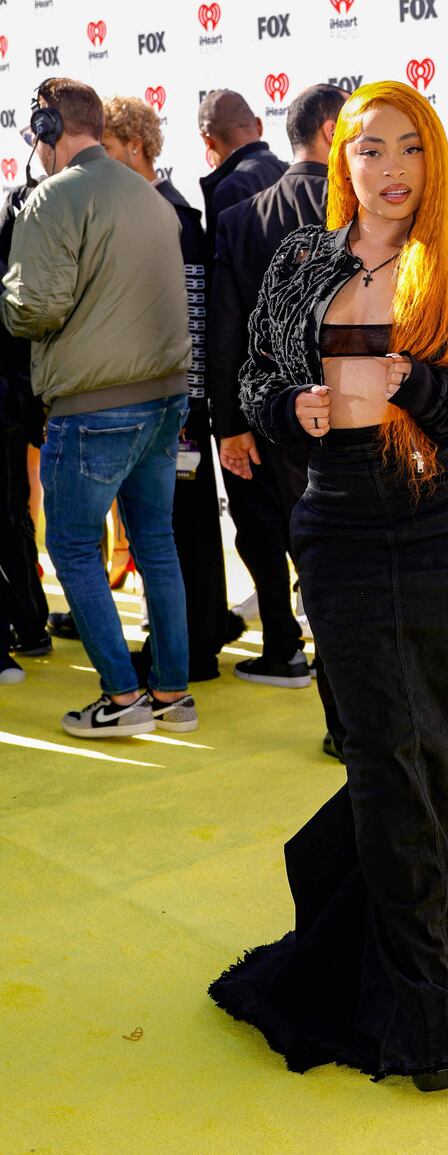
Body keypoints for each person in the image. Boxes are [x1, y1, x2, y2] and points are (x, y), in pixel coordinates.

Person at [208, 82, 448, 1089]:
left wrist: (422, 386)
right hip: (341, 532)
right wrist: (289, 406)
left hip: (447, 531)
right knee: (381, 758)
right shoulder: (301, 265)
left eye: (408, 148)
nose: (388, 168)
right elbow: (255, 383)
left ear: (430, 161)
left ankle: (428, 1015)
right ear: (338, 161)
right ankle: (388, 979)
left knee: (435, 761)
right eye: (368, 150)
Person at [0, 77, 197, 737]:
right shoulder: (150, 197)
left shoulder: (54, 196)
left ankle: (121, 697)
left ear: (48, 129)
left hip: (95, 407)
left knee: (74, 547)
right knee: (157, 543)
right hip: (165, 400)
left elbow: (34, 309)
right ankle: (172, 693)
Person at [101, 95, 244, 682]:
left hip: (175, 403)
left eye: (107, 149)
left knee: (178, 527)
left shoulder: (171, 215)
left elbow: (191, 311)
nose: (100, 161)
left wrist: (186, 405)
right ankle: (191, 636)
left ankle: (190, 647)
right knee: (175, 525)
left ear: (135, 145)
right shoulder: (157, 209)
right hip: (173, 399)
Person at [210, 84, 346, 692]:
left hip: (275, 419)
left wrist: (231, 426)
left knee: (297, 541)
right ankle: (349, 692)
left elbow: (224, 332)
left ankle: (309, 669)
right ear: (328, 128)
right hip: (366, 415)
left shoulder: (241, 219)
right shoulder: (367, 210)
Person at [0, 185, 50, 662]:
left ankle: (29, 625)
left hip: (10, 408)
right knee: (14, 520)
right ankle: (31, 624)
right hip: (16, 408)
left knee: (11, 521)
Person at [198, 89, 286, 262]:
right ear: (259, 125)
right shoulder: (292, 173)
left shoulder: (229, 189)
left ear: (208, 141)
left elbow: (230, 275)